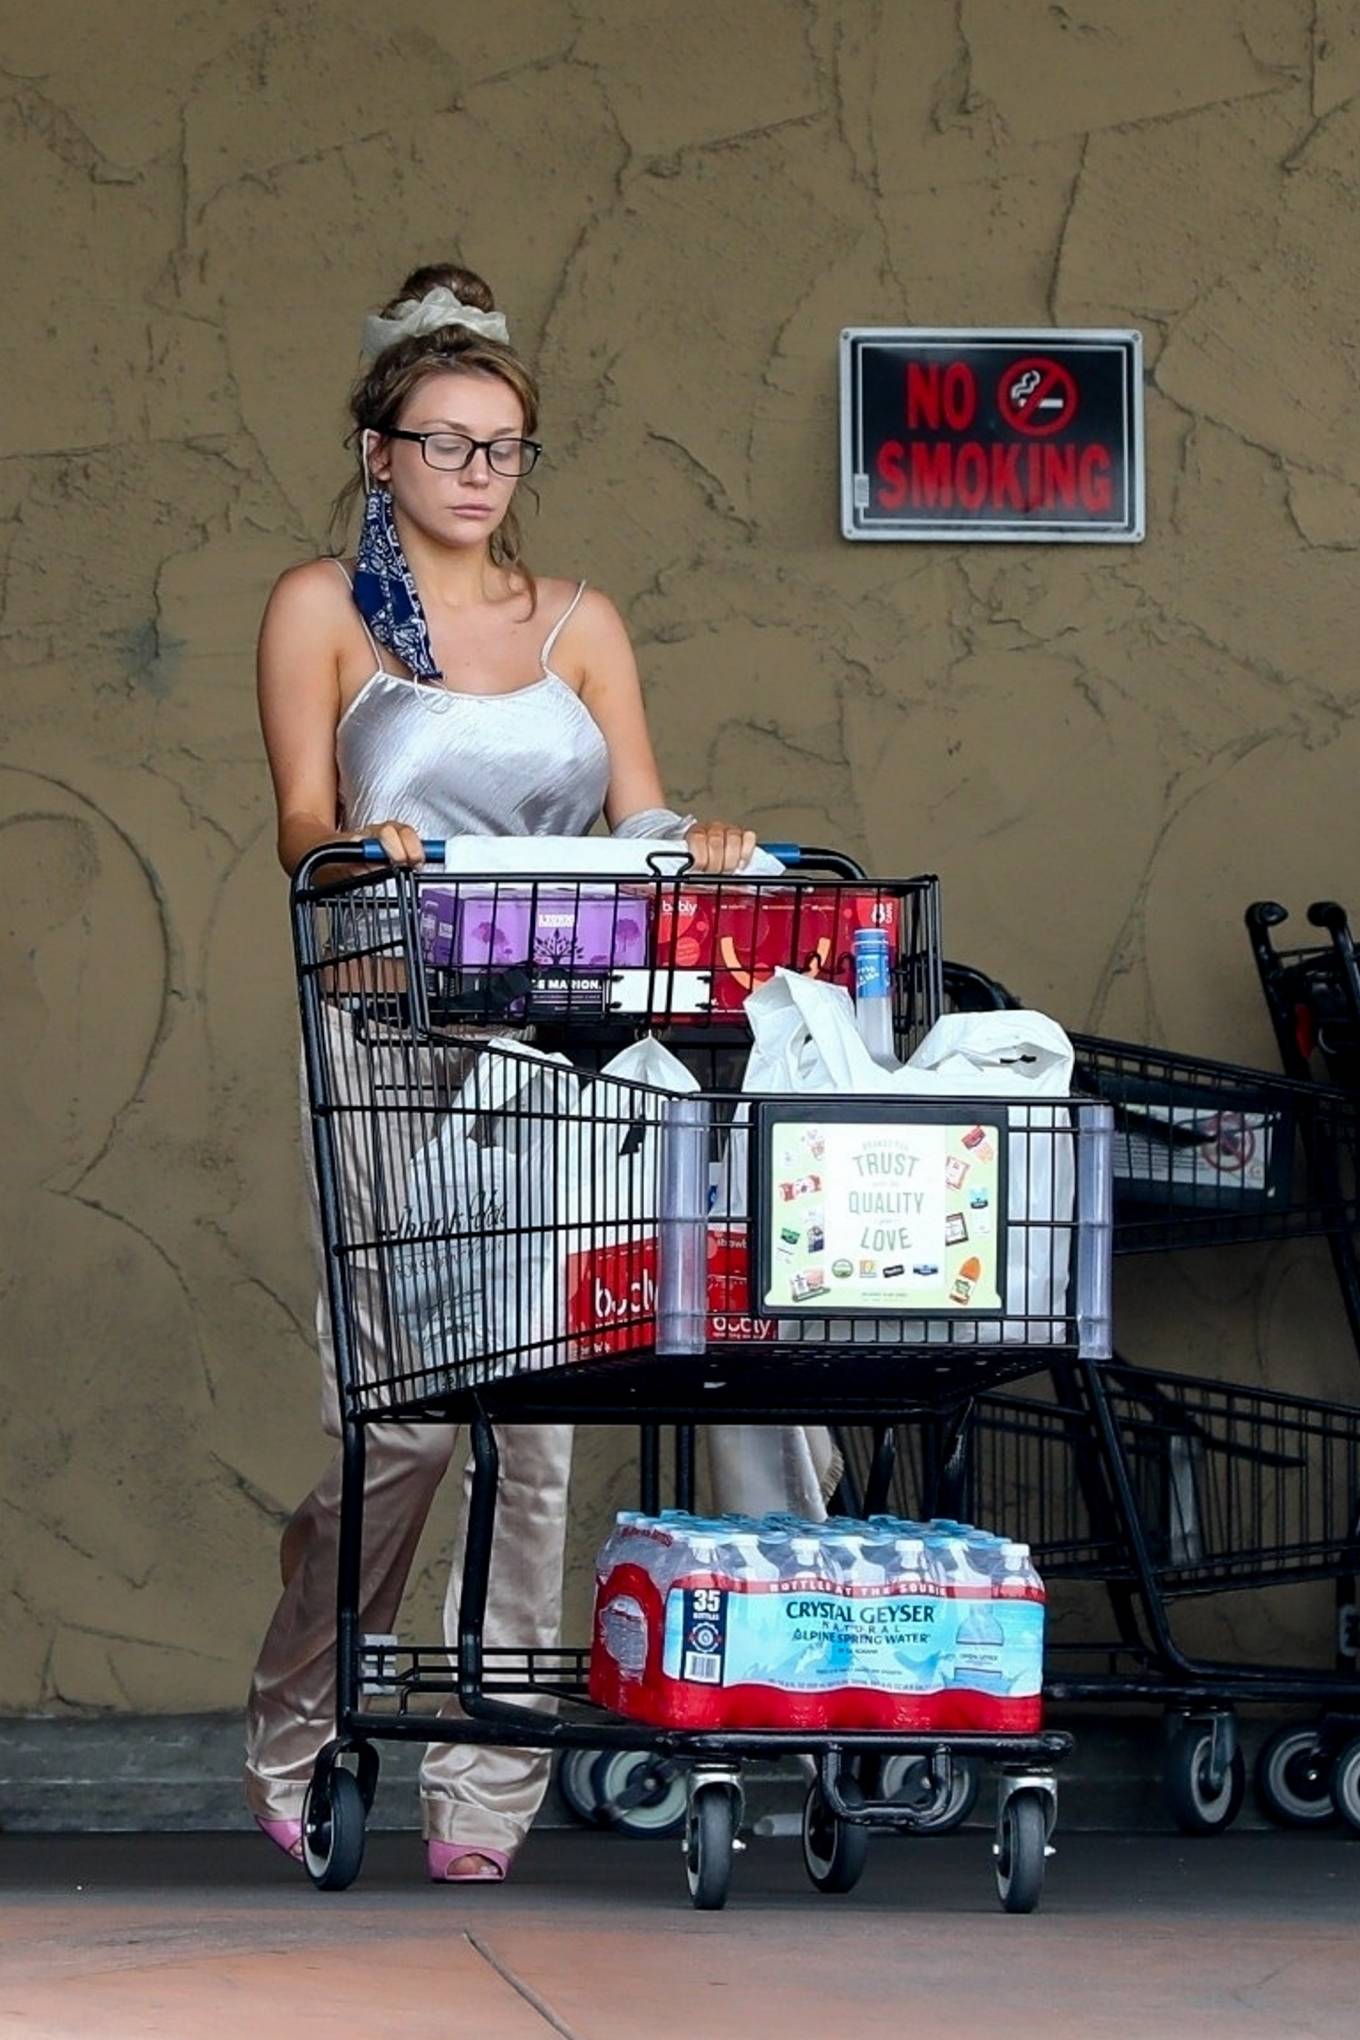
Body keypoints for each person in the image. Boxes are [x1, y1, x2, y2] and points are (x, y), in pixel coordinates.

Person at [246, 261, 757, 1882]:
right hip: (392, 1033)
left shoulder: (578, 623)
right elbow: (299, 829)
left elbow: (639, 824)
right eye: (446, 440)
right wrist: (364, 845)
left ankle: (486, 1782)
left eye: (506, 446)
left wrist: (703, 846)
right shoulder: (324, 609)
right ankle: (301, 1705)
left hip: (559, 1043)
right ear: (379, 446)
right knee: (398, 1426)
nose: (477, 472)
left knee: (536, 1425)